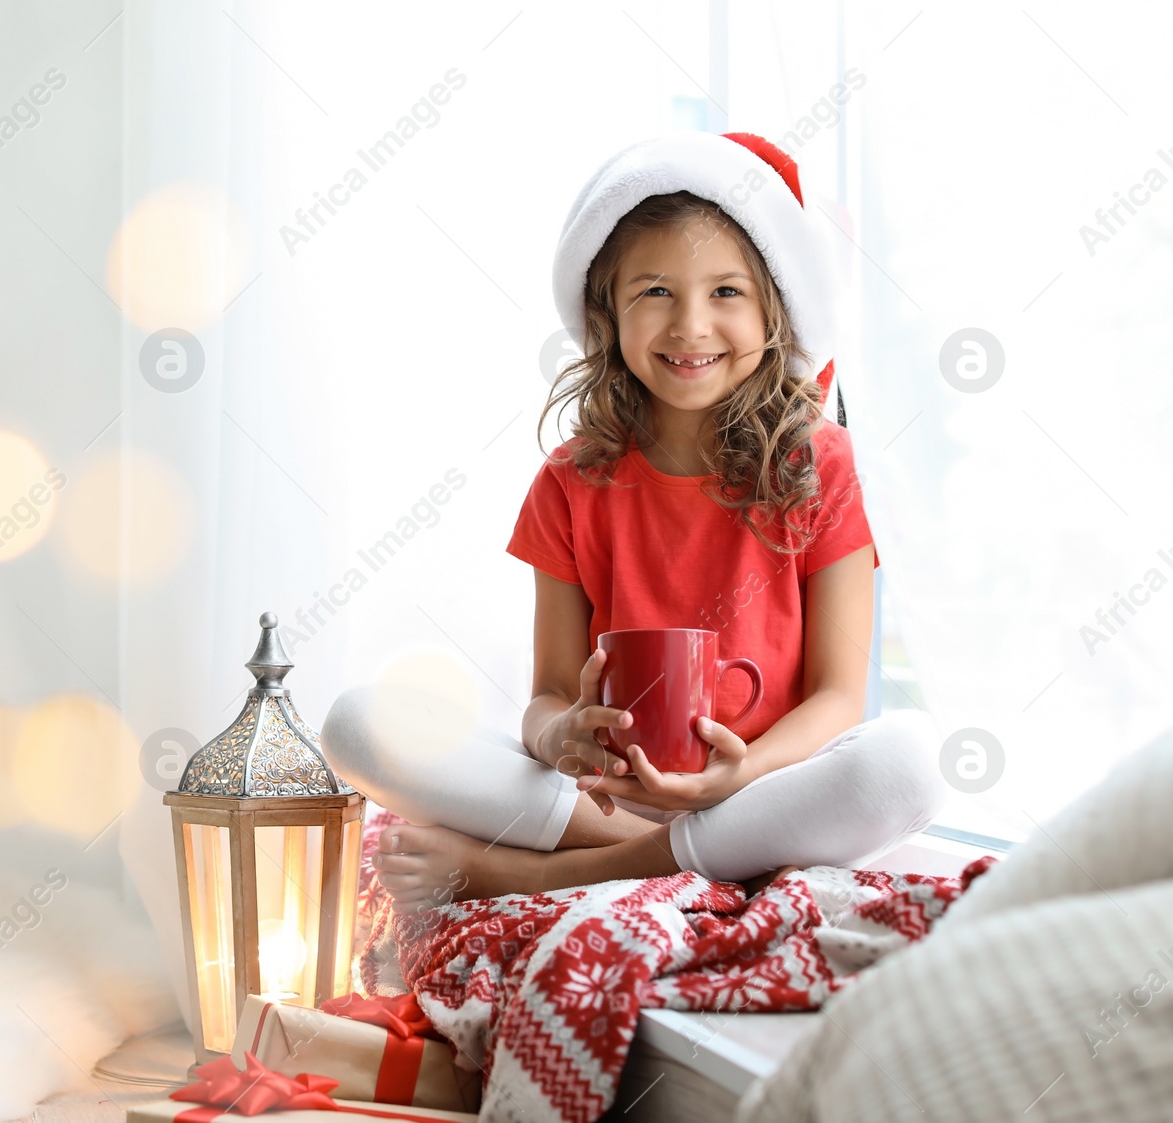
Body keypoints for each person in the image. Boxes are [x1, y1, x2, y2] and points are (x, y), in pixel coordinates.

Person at [320, 132, 946, 914]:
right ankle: (658, 855)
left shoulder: (822, 463)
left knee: (907, 761)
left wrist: (734, 776)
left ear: (774, 310)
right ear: (606, 310)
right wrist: (562, 734)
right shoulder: (569, 482)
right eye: (654, 291)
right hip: (608, 798)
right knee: (359, 723)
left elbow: (837, 699)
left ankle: (543, 874)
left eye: (726, 292)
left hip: (761, 794)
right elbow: (546, 696)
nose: (690, 326)